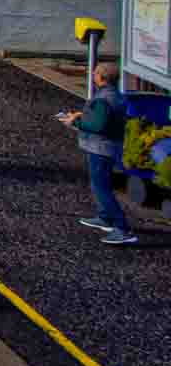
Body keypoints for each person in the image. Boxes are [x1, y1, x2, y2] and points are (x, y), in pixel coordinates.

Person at [59, 61, 138, 246]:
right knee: (102, 185)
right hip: (111, 147)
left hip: (100, 149)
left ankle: (122, 229)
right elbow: (106, 119)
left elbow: (98, 126)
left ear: (101, 78)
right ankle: (104, 218)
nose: (92, 75)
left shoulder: (102, 98)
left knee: (102, 188)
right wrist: (82, 115)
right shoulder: (116, 95)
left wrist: (75, 123)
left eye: (95, 73)